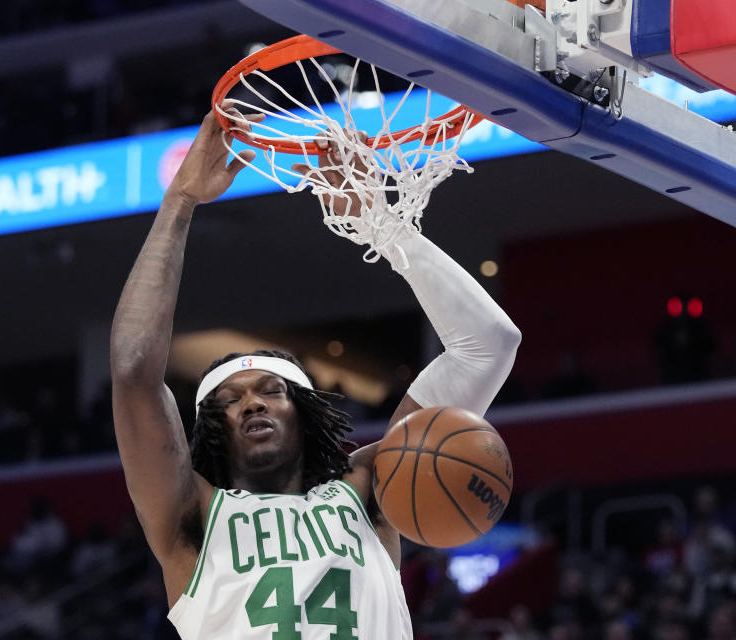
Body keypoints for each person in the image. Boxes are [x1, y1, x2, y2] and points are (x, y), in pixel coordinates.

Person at [109, 103, 522, 639]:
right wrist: (180, 202)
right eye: (229, 401)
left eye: (271, 390)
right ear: (210, 429)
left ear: (304, 411)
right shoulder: (191, 516)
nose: (252, 402)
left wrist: (382, 225)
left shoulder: (373, 485)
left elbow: (488, 346)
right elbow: (134, 370)